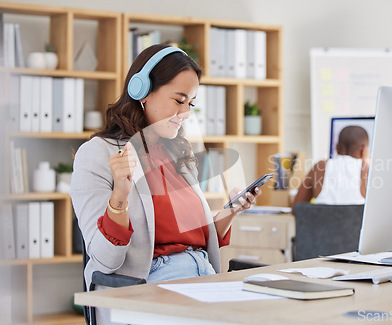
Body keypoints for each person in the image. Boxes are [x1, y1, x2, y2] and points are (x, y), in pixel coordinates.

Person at [70, 44, 261, 324]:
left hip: (202, 274)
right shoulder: (99, 154)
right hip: (151, 281)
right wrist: (119, 196)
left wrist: (231, 211)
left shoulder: (175, 152)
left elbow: (196, 237)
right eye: (178, 99)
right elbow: (104, 259)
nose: (185, 113)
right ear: (142, 91)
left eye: (190, 103)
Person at [292, 125, 369, 211]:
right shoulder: (367, 169)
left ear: (337, 148)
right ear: (363, 150)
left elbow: (296, 208)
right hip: (355, 224)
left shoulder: (320, 167)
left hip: (321, 223)